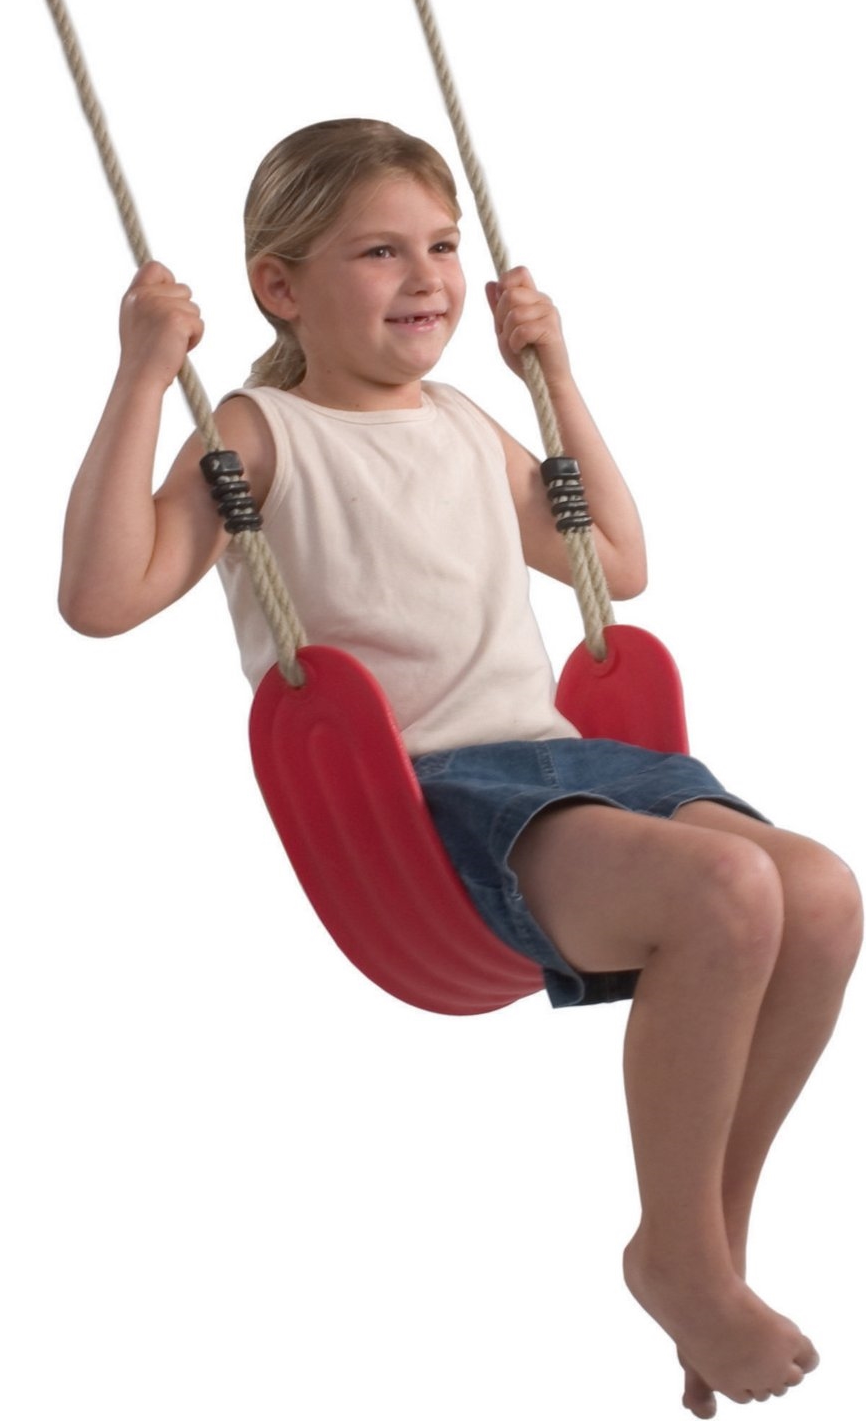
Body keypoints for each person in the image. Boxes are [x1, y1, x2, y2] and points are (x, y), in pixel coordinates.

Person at [59, 119, 861, 1418]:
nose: (427, 276)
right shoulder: (261, 434)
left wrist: (555, 374)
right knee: (727, 894)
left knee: (819, 893)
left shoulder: (467, 419)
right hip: (434, 798)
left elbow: (616, 563)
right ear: (280, 287)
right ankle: (683, 1259)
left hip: (564, 759)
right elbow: (103, 596)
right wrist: (145, 375)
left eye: (441, 245)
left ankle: (702, 1245)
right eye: (381, 252)